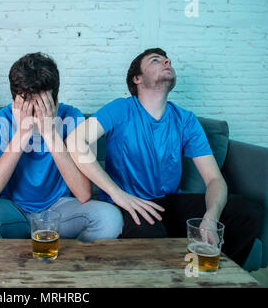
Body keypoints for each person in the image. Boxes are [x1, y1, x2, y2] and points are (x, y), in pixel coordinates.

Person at [67, 48, 263, 266]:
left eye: (167, 59)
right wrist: (117, 194)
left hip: (169, 203)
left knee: (248, 211)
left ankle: (221, 276)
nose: (167, 61)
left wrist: (210, 217)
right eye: (155, 60)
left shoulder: (185, 120)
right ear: (137, 78)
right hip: (130, 204)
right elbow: (76, 141)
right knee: (151, 240)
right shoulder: (121, 108)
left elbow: (215, 180)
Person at [0, 52, 123, 241]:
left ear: (56, 100)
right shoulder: (2, 120)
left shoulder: (72, 117)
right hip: (13, 210)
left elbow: (84, 194)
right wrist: (22, 132)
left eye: (43, 105)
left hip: (59, 209)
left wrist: (49, 132)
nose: (35, 114)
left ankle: (72, 264)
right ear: (15, 103)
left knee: (109, 218)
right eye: (28, 106)